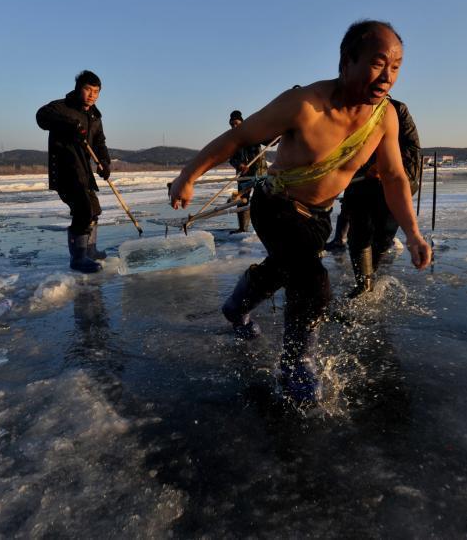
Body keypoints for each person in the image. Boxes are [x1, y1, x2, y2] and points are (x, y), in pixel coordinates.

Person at [169, 20, 432, 405]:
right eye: (378, 64)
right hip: (275, 205)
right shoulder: (305, 105)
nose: (387, 76)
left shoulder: (385, 117)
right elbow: (239, 137)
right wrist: (188, 174)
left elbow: (393, 177)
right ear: (347, 61)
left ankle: (236, 306)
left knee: (284, 267)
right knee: (311, 281)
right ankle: (295, 364)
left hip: (319, 214)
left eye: (396, 67)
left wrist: (412, 232)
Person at [340, 98, 421, 296]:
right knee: (359, 234)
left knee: (384, 235)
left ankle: (372, 273)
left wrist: (385, 165)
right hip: (360, 185)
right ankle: (364, 283)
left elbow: (412, 150)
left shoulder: (397, 110)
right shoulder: (348, 110)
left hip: (393, 185)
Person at [36, 70, 112, 273]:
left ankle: (90, 250)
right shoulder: (61, 107)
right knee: (83, 210)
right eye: (88, 90)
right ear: (79, 89)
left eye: (96, 92)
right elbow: (41, 117)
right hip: (65, 171)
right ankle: (78, 258)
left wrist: (104, 163)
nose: (92, 95)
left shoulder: (95, 116)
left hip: (84, 172)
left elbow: (99, 143)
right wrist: (68, 125)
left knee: (93, 210)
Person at [226, 110, 267, 233]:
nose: (234, 126)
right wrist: (239, 165)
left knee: (262, 200)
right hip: (243, 176)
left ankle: (265, 228)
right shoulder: (232, 140)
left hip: (260, 173)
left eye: (236, 123)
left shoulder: (252, 134)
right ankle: (242, 228)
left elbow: (266, 141)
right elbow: (231, 159)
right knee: (241, 200)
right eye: (232, 124)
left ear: (242, 123)